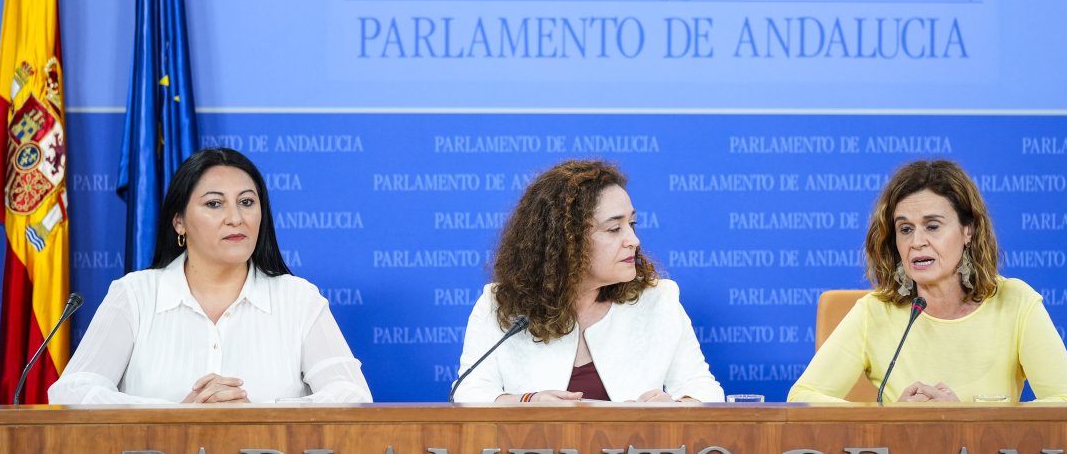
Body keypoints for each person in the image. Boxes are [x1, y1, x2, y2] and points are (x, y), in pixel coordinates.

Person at [49, 148, 372, 404]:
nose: (235, 218)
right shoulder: (135, 294)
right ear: (179, 221)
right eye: (214, 204)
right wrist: (179, 416)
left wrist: (257, 417)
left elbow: (351, 394)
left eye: (247, 202)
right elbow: (72, 392)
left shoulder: (297, 298)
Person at [788, 159, 1067, 404]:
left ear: (968, 230)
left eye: (932, 226)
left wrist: (967, 419)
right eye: (905, 229)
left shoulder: (1014, 303)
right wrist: (891, 416)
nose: (917, 242)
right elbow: (803, 397)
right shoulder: (874, 312)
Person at [452, 159, 724, 403]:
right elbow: (469, 392)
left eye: (632, 224)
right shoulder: (501, 304)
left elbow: (704, 388)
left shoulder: (659, 300)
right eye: (614, 229)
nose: (633, 241)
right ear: (566, 241)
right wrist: (527, 403)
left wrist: (676, 407)